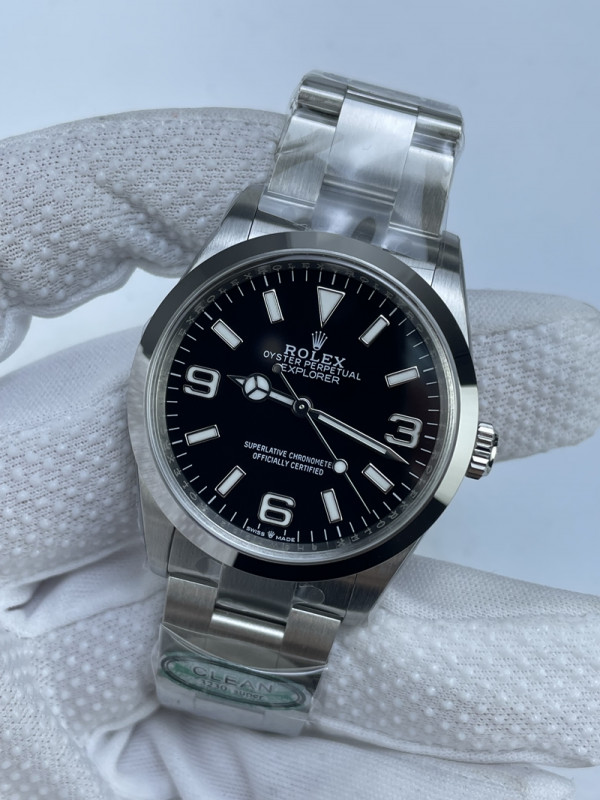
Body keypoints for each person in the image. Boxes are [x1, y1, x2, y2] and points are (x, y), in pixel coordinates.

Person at [0, 106, 599, 800]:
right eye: (301, 403)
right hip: (206, 521)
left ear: (468, 447)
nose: (307, 409)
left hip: (294, 533)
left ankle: (242, 696)